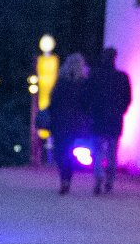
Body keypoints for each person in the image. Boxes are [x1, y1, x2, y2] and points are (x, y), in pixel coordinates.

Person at [85, 47, 133, 195]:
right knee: (112, 152)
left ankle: (98, 176)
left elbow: (88, 96)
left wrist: (89, 112)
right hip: (114, 119)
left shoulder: (95, 75)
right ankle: (109, 181)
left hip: (98, 118)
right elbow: (128, 98)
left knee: (98, 151)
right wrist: (121, 111)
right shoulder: (122, 77)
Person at [51, 53, 90, 194]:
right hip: (75, 122)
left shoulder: (61, 82)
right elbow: (86, 104)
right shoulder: (83, 84)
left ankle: (64, 178)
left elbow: (53, 102)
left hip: (60, 122)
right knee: (70, 151)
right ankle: (68, 178)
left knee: (61, 151)